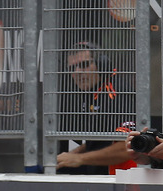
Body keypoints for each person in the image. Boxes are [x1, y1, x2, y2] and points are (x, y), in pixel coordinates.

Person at [57, 41, 136, 175]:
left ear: (102, 65)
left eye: (84, 65)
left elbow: (130, 146)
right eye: (72, 68)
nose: (77, 72)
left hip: (122, 180)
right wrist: (72, 154)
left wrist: (79, 158)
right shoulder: (92, 93)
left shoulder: (116, 92)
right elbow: (101, 142)